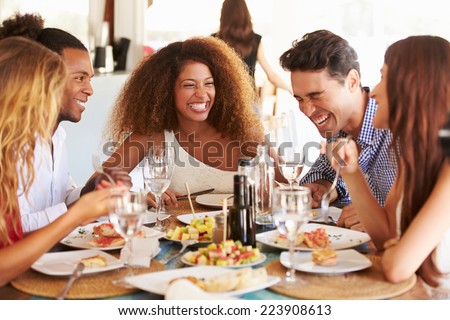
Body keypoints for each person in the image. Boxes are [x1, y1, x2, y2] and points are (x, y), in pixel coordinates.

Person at [330, 35, 450, 298]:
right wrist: (351, 173)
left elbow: (396, 266)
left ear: (412, 86)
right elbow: (385, 238)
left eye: (384, 78)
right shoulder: (412, 156)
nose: (373, 92)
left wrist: (398, 248)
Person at [0, 13, 131, 233]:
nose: (90, 89)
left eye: (90, 78)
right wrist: (78, 212)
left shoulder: (57, 135)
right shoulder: (12, 142)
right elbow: (13, 228)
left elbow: (59, 198)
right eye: (79, 78)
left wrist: (90, 190)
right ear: (42, 76)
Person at [100, 36, 265, 207]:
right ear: (165, 90)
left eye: (209, 84)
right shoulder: (155, 135)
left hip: (239, 232)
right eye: (189, 85)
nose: (202, 94)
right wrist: (135, 197)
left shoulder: (246, 132)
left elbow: (287, 185)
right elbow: (97, 187)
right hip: (177, 233)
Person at [0, 37, 111, 286]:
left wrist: (84, 196)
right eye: (49, 90)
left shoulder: (13, 149)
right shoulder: (14, 150)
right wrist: (74, 214)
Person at [279, 30, 397, 227]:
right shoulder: (337, 128)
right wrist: (324, 186)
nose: (306, 110)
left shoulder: (397, 128)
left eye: (316, 95)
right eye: (300, 99)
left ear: (352, 81)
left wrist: (384, 218)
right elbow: (322, 173)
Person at [214, 0, 292, 94]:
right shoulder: (254, 40)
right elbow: (271, 76)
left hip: (222, 100)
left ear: (223, 15)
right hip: (248, 100)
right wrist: (290, 89)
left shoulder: (214, 40)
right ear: (245, 14)